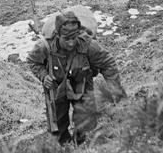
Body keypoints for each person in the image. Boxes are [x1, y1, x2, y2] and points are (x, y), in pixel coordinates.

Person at [27, 10, 124, 145]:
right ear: (58, 35)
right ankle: (65, 147)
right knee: (57, 129)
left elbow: (108, 63)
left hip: (82, 83)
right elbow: (33, 61)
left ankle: (82, 145)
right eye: (66, 39)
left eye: (74, 38)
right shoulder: (45, 46)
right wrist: (43, 76)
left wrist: (116, 92)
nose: (71, 43)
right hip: (56, 87)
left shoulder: (88, 45)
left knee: (87, 126)